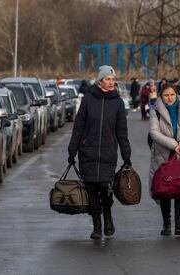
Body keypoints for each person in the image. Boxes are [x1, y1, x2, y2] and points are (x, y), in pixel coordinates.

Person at [68, 65, 132, 240]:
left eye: (113, 79)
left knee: (105, 188)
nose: (111, 82)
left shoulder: (118, 103)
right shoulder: (88, 100)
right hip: (87, 152)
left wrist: (126, 154)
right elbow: (79, 126)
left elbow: (121, 132)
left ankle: (108, 215)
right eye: (108, 79)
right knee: (91, 189)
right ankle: (97, 225)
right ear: (100, 81)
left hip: (108, 153)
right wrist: (72, 149)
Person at [149, 83, 180, 236]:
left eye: (172, 94)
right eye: (166, 95)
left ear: (176, 95)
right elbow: (154, 133)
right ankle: (166, 223)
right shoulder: (155, 111)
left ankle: (179, 222)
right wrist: (173, 144)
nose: (170, 98)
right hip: (163, 154)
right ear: (161, 96)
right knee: (164, 189)